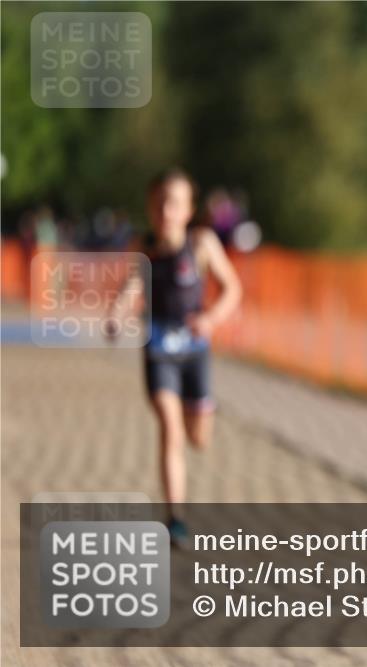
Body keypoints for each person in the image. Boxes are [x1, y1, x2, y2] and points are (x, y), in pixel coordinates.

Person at [108, 168, 242, 546]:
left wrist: (211, 319)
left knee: (198, 437)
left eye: (175, 203)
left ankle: (199, 410)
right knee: (170, 428)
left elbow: (233, 288)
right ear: (151, 207)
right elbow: (132, 283)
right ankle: (176, 518)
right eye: (160, 202)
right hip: (158, 351)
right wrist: (117, 314)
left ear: (189, 209)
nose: (166, 210)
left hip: (195, 353)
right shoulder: (144, 246)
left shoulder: (201, 244)